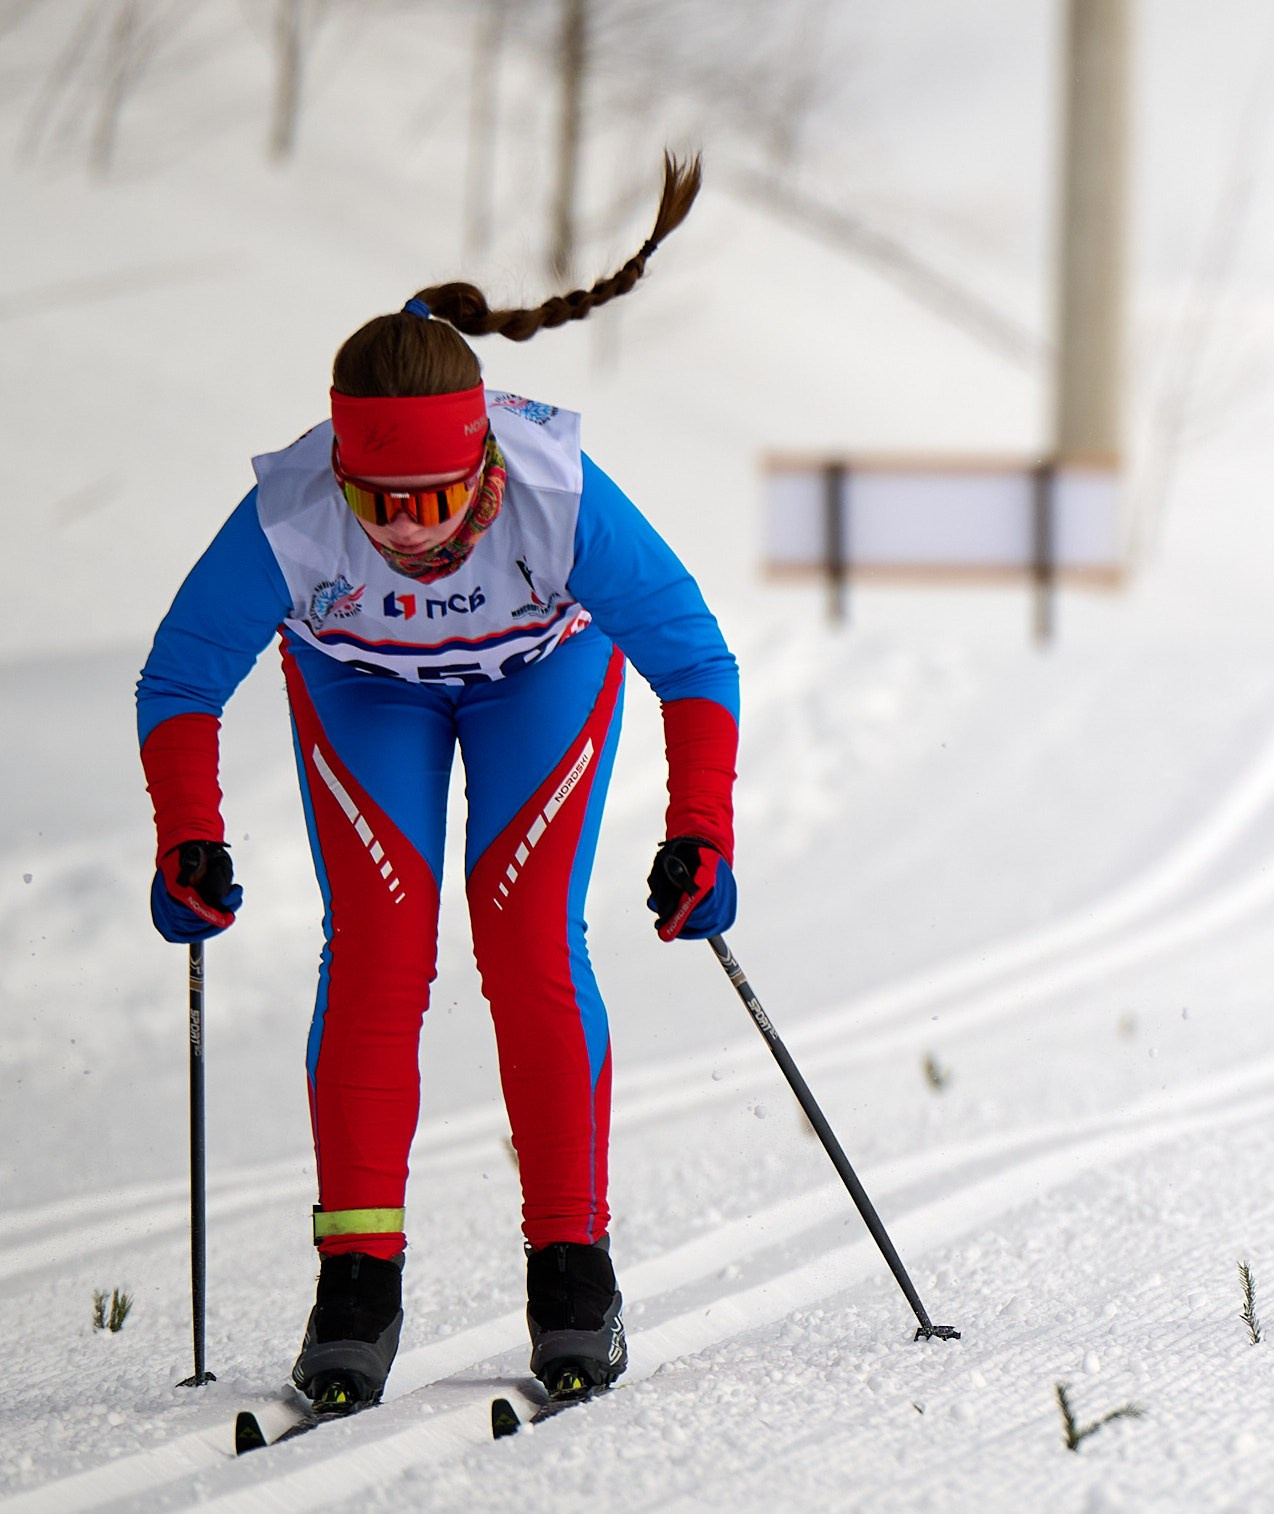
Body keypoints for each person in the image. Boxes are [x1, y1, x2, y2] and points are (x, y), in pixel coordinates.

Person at [135, 155, 741, 1411]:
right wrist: (187, 836)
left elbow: (694, 661)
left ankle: (572, 1268)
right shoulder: (290, 513)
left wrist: (702, 834)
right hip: (364, 691)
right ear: (338, 473)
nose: (406, 531)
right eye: (378, 502)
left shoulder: (560, 495)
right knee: (376, 947)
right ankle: (356, 1279)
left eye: (435, 497)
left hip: (539, 680)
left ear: (485, 465)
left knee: (526, 941)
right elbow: (181, 681)